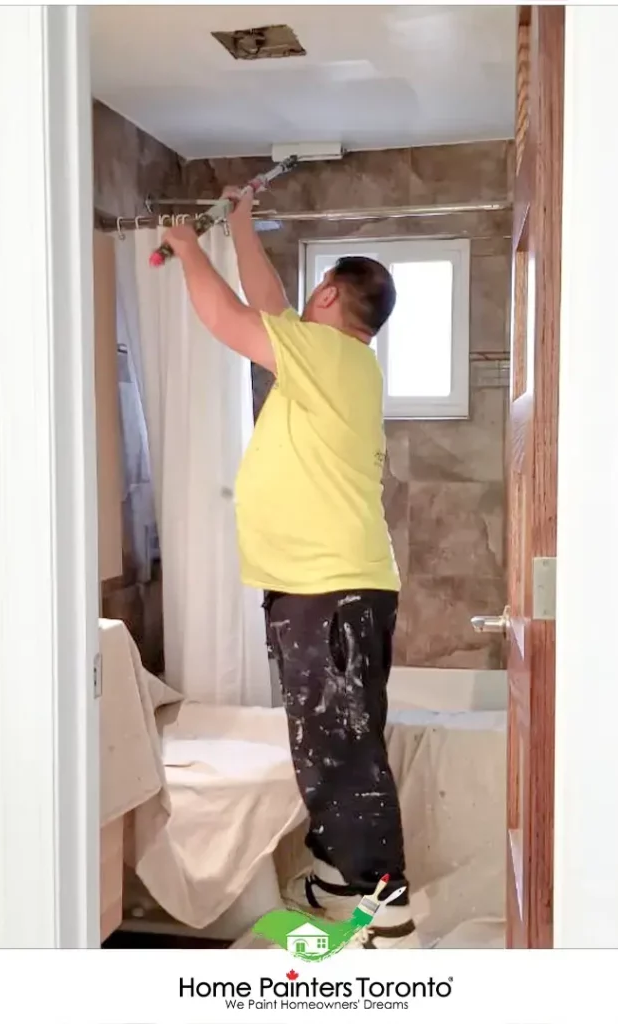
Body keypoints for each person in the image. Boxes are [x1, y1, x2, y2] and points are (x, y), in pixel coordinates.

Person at [162, 189, 418, 949]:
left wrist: (186, 245)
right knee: (331, 740)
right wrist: (239, 225)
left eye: (312, 292)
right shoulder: (338, 363)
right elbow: (267, 307)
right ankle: (342, 881)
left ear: (330, 294)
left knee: (340, 746)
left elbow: (229, 319)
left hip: (326, 588)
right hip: (332, 586)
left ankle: (383, 902)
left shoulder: (325, 354)